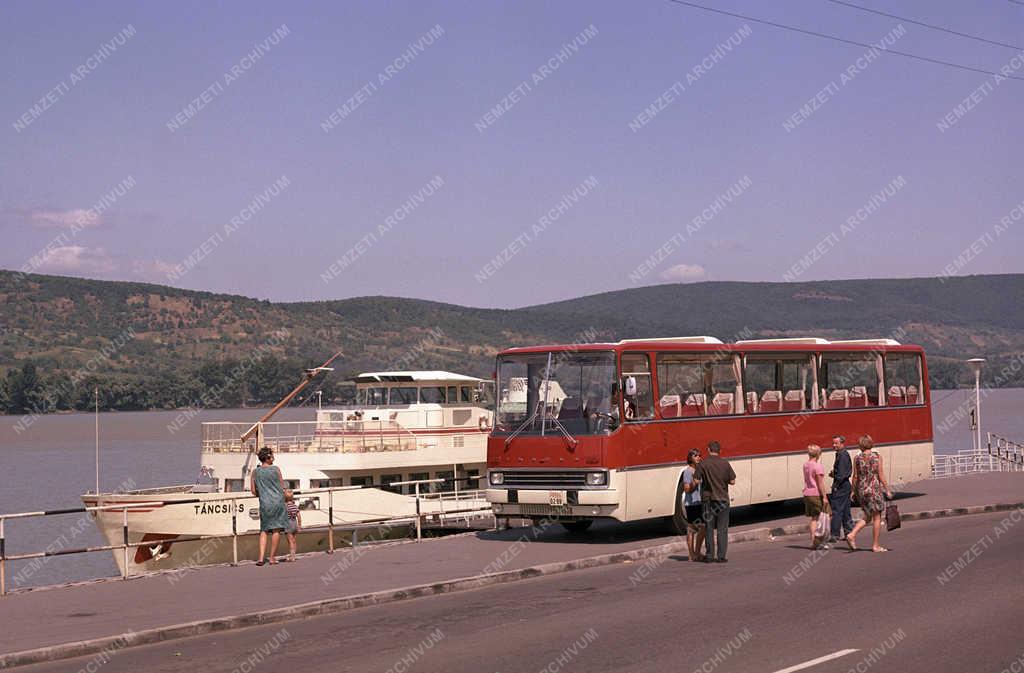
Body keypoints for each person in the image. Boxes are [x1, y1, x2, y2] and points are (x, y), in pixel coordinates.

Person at [847, 434, 893, 552]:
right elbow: (880, 474)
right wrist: (887, 489)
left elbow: (855, 476)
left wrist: (853, 491)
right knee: (877, 517)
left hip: (862, 490)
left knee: (867, 515)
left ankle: (852, 534)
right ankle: (875, 545)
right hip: (874, 490)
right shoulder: (877, 457)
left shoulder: (857, 458)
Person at [693, 440, 736, 563]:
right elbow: (732, 481)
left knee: (709, 528)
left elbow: (696, 480)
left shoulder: (703, 464)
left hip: (708, 500)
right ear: (720, 451)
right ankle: (721, 556)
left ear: (708, 450)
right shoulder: (725, 463)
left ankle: (710, 555)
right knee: (722, 529)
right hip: (723, 500)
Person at [251, 447, 288, 565]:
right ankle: (272, 558)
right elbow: (282, 487)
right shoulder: (276, 469)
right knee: (276, 529)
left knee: (264, 530)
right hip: (278, 502)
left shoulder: (255, 472)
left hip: (265, 503)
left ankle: (261, 558)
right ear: (268, 457)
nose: (274, 458)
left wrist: (263, 492)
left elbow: (253, 491)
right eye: (272, 456)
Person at [802, 444, 831, 550]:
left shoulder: (806, 465)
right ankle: (819, 541)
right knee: (827, 516)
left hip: (807, 493)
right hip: (816, 494)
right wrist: (825, 497)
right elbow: (820, 484)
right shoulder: (818, 466)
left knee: (814, 518)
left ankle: (814, 541)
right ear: (818, 454)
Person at [827, 435, 854, 543]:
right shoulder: (842, 454)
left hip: (841, 486)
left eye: (836, 443)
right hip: (845, 485)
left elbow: (842, 474)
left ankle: (834, 535)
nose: (834, 445)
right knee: (846, 510)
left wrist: (835, 485)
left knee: (836, 510)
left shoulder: (842, 455)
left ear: (842, 443)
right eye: (833, 443)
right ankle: (849, 532)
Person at [682, 449, 706, 561]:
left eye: (699, 455)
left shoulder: (699, 470)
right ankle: (692, 554)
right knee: (693, 528)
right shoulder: (688, 471)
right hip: (691, 504)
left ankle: (696, 552)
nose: (698, 457)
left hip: (699, 502)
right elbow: (686, 489)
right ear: (690, 458)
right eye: (695, 455)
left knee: (701, 528)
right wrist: (694, 483)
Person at [283, 489, 301, 562]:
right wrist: (299, 525)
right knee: (294, 541)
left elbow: (283, 516)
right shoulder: (295, 506)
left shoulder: (285, 506)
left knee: (290, 541)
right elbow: (299, 516)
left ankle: (292, 557)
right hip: (294, 523)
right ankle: (293, 555)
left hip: (288, 524)